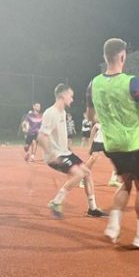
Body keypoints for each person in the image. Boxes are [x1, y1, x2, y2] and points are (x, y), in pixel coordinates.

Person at [86, 38, 139, 250]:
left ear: (105, 57)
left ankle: (113, 227)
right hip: (134, 143)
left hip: (112, 145)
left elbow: (90, 116)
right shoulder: (132, 82)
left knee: (125, 183)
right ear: (122, 56)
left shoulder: (93, 84)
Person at [39, 84, 106, 219]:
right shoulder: (50, 113)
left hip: (65, 153)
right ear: (63, 95)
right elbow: (41, 137)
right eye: (70, 96)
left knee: (87, 172)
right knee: (79, 174)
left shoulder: (63, 112)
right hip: (55, 155)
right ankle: (56, 202)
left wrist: (67, 148)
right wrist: (51, 154)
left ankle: (92, 209)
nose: (72, 99)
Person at [86, 118, 120, 188]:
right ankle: (82, 179)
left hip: (109, 143)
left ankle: (113, 180)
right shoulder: (104, 117)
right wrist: (90, 144)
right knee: (93, 158)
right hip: (99, 141)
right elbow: (94, 128)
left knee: (116, 160)